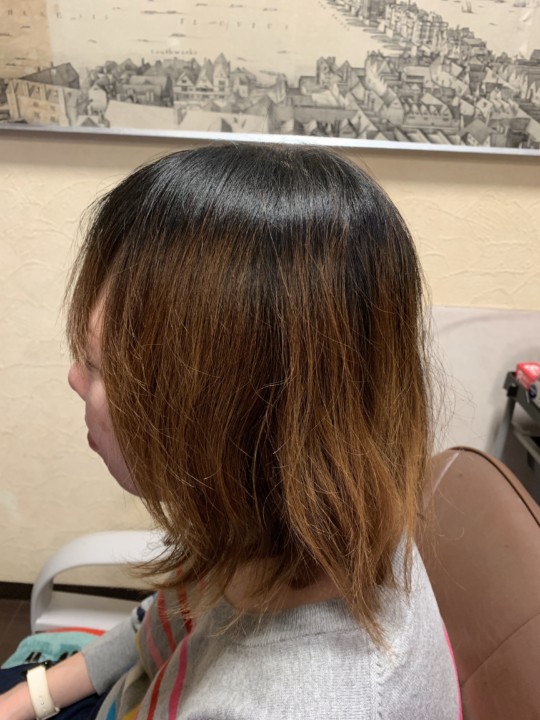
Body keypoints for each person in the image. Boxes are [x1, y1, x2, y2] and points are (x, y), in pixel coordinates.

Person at [0, 143, 461, 720]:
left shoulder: (288, 705)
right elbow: (166, 620)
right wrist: (30, 698)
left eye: (98, 367)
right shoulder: (296, 515)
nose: (74, 379)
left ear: (215, 418)